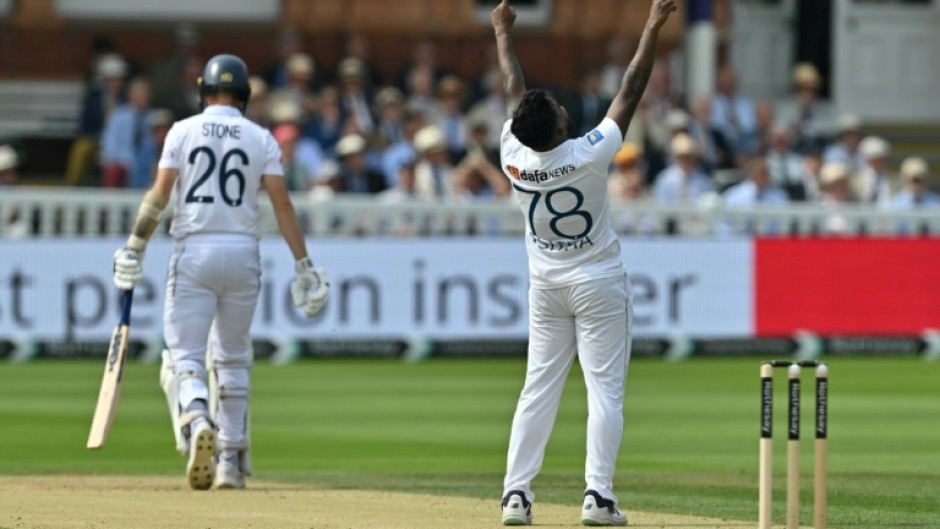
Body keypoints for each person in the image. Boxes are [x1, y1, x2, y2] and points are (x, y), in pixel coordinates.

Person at [492, 0, 677, 526]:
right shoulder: (589, 153)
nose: (562, 108)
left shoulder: (514, 154)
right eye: (556, 110)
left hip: (546, 286)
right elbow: (632, 87)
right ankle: (598, 496)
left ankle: (516, 497)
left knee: (537, 389)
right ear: (555, 127)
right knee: (605, 393)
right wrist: (651, 25)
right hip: (598, 280)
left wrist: (502, 33)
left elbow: (513, 89)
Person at [111, 54, 329, 491]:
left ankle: (195, 416)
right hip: (243, 255)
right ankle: (229, 460)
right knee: (232, 357)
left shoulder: (181, 131)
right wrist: (303, 263)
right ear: (245, 94)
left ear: (203, 90)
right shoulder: (261, 137)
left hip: (194, 251)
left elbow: (159, 197)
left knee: (184, 355)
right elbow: (282, 206)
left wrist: (135, 245)